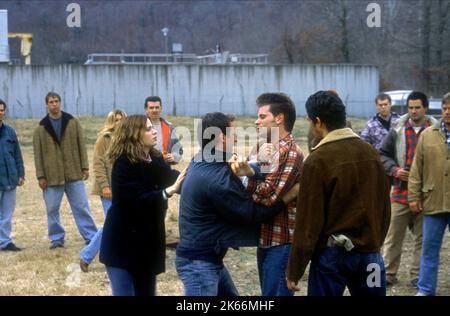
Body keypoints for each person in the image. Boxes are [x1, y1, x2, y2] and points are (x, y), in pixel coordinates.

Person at [175, 112, 298, 296]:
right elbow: (253, 215)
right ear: (222, 138)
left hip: (207, 259)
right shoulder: (217, 180)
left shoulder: (203, 159)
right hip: (199, 266)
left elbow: (244, 166)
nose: (237, 137)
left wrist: (252, 168)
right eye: (233, 133)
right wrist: (291, 194)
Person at [286, 90, 391, 296]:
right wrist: (375, 242)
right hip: (371, 256)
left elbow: (308, 222)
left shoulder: (317, 160)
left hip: (332, 258)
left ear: (317, 121)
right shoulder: (371, 152)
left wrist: (294, 270)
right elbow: (384, 206)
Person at [99, 115, 185, 296]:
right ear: (134, 134)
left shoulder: (154, 158)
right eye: (148, 128)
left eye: (152, 127)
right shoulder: (123, 163)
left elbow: (173, 178)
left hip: (147, 246)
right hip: (122, 246)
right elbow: (134, 201)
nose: (154, 131)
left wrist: (198, 173)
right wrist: (167, 192)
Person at [246, 93, 304, 296]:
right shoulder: (260, 146)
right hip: (263, 236)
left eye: (262, 117)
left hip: (282, 241)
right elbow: (244, 187)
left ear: (279, 118)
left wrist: (248, 177)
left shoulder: (290, 151)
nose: (256, 121)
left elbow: (269, 197)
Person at [379, 91, 438, 287]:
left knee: (423, 238)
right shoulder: (398, 129)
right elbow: (382, 154)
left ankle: (417, 275)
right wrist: (394, 170)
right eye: (410, 107)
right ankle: (388, 272)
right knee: (393, 235)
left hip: (427, 194)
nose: (413, 111)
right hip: (400, 192)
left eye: (417, 107)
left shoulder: (436, 130)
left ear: (425, 108)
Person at [33, 92, 97, 249]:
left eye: (56, 101)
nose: (54, 104)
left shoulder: (73, 122)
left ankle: (90, 236)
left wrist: (85, 166)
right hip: (51, 176)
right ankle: (56, 239)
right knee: (52, 209)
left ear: (60, 103)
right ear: (46, 105)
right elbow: (37, 154)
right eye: (51, 102)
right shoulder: (40, 128)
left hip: (73, 172)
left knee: (81, 207)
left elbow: (81, 145)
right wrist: (41, 176)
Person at [408, 92, 450, 296]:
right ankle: (425, 290)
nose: (447, 112)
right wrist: (414, 197)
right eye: (444, 108)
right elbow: (417, 169)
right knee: (429, 250)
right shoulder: (428, 134)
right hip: (433, 201)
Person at [79, 109, 126, 272]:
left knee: (119, 224)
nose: (119, 123)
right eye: (116, 120)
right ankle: (86, 256)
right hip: (109, 190)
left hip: (123, 189)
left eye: (122, 119)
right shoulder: (104, 138)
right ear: (111, 121)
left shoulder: (127, 139)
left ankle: (119, 257)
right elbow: (98, 164)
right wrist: (105, 186)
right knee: (111, 224)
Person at [0, 99, 25, 252]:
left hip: (10, 179)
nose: (0, 112)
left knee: (7, 214)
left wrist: (21, 174)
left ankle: (5, 241)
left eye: (2, 110)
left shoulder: (10, 132)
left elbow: (17, 155)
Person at [144, 96, 183, 165]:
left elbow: (178, 149)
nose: (154, 110)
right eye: (151, 108)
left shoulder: (169, 127)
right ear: (146, 110)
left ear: (161, 108)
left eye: (157, 107)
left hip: (163, 166)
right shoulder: (140, 127)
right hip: (145, 165)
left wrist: (174, 156)